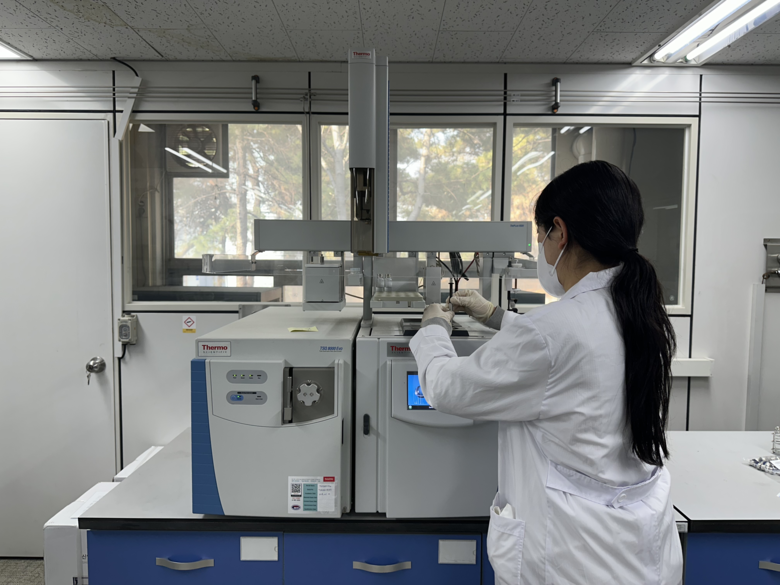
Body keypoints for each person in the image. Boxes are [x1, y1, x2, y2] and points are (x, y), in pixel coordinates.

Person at [410, 160, 683, 584]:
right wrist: (496, 316)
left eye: (540, 237)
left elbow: (447, 388)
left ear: (560, 232)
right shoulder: (639, 310)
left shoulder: (552, 332)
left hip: (570, 558)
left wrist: (432, 330)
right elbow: (573, 355)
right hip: (639, 552)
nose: (541, 247)